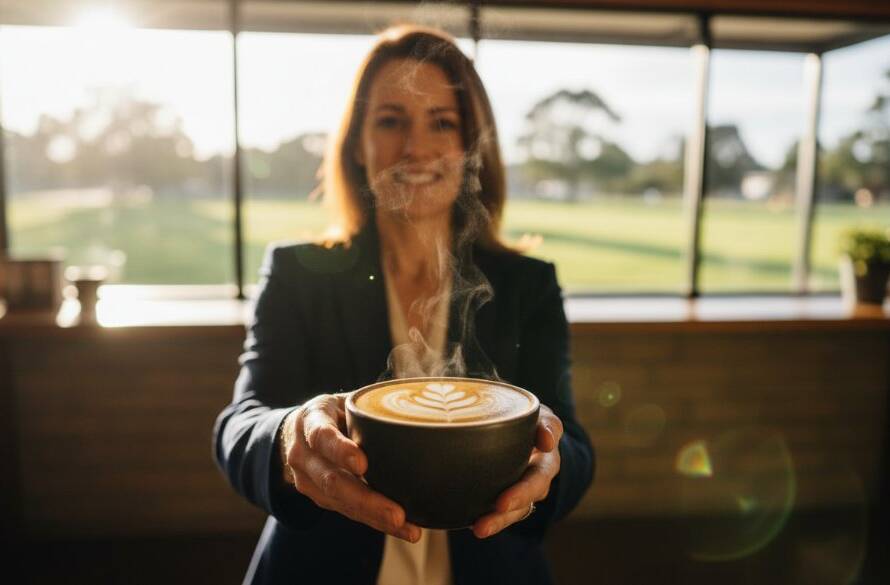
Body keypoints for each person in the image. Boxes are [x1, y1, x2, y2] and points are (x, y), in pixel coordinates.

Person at [213, 25, 594, 585]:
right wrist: (291, 435)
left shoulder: (526, 285)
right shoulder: (299, 274)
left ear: (472, 147)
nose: (416, 147)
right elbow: (239, 427)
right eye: (390, 121)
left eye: (442, 122)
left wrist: (550, 465)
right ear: (356, 144)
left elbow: (575, 448)